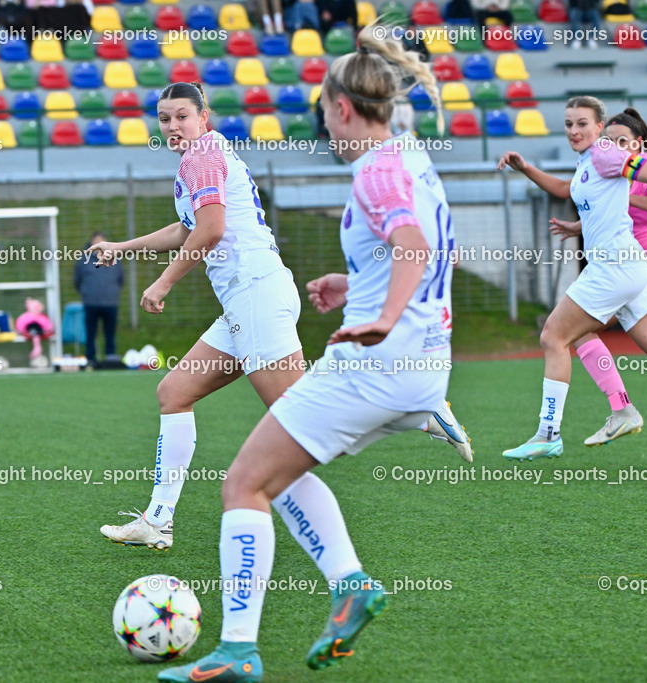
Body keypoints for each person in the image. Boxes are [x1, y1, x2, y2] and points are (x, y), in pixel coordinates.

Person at [158, 27, 453, 681]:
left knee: (244, 482)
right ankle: (349, 581)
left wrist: (380, 317)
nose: (324, 127)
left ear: (343, 108)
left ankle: (238, 650)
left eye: (323, 114)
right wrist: (357, 287)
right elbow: (421, 248)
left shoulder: (374, 168)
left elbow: (413, 247)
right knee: (277, 470)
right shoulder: (412, 158)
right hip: (424, 362)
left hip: (376, 363)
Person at [92, 81, 470, 553]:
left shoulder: (200, 157)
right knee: (174, 391)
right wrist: (122, 249)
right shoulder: (206, 155)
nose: (172, 126)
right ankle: (159, 520)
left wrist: (163, 282)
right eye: (164, 118)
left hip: (255, 295)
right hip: (247, 300)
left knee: (294, 422)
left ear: (203, 116)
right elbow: (188, 227)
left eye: (181, 116)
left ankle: (416, 414)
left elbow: (210, 230)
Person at [498, 96, 647, 460]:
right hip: (630, 267)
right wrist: (525, 168)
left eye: (582, 123)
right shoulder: (590, 160)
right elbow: (564, 190)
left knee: (553, 336)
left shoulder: (604, 152)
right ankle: (621, 410)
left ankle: (548, 434)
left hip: (613, 267)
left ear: (600, 127)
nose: (574, 130)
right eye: (569, 123)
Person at [547, 108, 647, 446]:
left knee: (567, 333)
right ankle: (621, 411)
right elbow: (586, 199)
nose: (612, 145)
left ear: (637, 144)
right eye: (608, 140)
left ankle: (617, 410)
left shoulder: (634, 169)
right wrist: (578, 224)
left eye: (620, 140)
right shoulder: (607, 168)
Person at [74, 231, 124, 366]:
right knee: (90, 333)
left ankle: (110, 358)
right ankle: (90, 360)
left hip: (110, 303)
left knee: (110, 333)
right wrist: (87, 292)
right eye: (96, 241)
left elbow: (120, 279)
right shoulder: (83, 260)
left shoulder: (115, 259)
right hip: (91, 303)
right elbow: (77, 280)